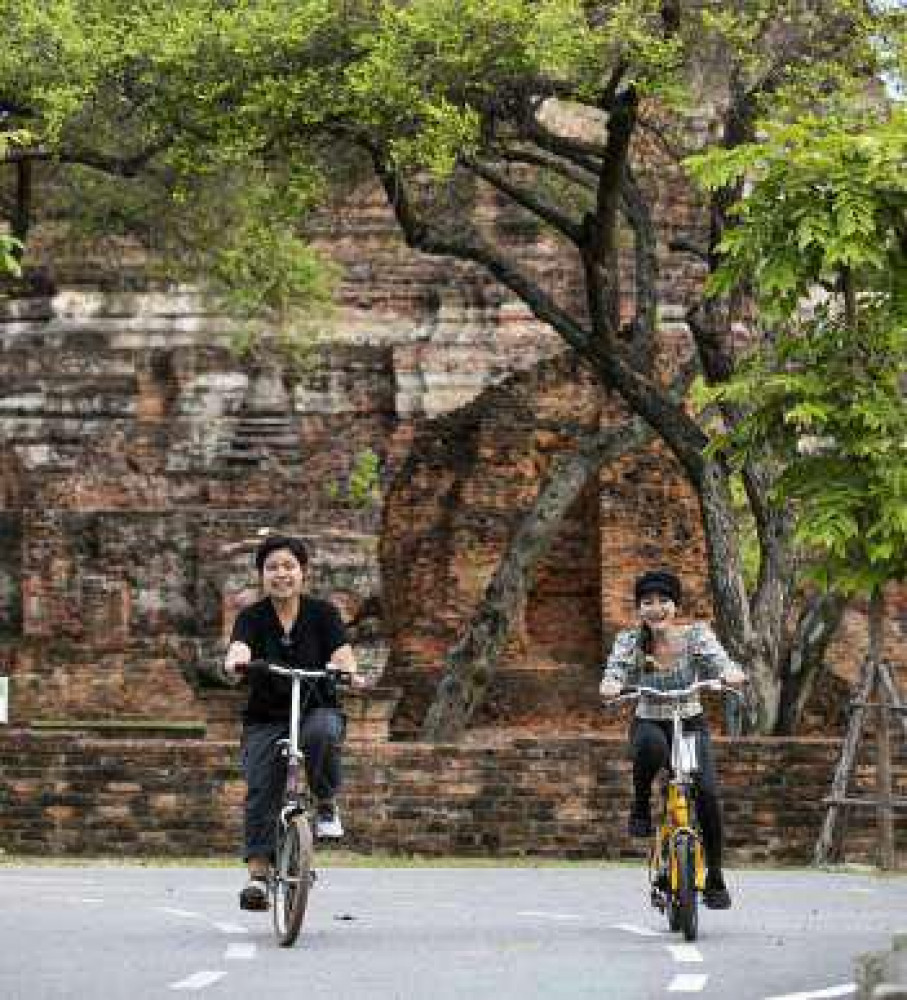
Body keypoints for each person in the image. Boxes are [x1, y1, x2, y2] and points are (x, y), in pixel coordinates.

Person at [223, 534, 366, 912]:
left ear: (303, 573)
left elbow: (342, 654)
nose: (281, 574)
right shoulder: (252, 617)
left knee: (322, 733)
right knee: (261, 787)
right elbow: (239, 649)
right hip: (266, 717)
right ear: (261, 575)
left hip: (316, 705)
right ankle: (257, 877)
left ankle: (325, 804)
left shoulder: (323, 614)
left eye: (289, 566)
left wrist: (348, 672)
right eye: (272, 567)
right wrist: (235, 663)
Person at [599, 569, 746, 910]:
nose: (656, 608)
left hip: (689, 723)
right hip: (650, 720)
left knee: (706, 792)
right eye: (647, 602)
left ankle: (715, 876)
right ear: (639, 609)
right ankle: (640, 804)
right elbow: (614, 671)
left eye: (663, 601)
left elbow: (721, 661)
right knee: (652, 746)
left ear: (675, 606)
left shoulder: (696, 636)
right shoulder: (630, 641)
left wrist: (729, 674)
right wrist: (611, 685)